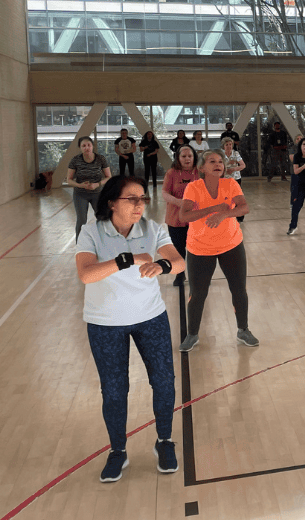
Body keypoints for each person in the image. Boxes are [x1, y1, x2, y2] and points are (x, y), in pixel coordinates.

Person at [74, 175, 186, 482]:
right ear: (112, 202)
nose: (139, 206)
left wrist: (162, 265)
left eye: (142, 199)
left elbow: (178, 261)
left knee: (164, 382)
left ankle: (164, 441)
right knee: (113, 391)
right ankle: (118, 451)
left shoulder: (154, 229)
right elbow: (86, 274)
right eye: (131, 199)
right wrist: (127, 259)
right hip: (104, 323)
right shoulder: (91, 232)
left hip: (151, 317)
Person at [177, 150, 255, 351]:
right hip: (200, 248)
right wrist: (213, 210)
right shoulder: (194, 187)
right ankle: (192, 334)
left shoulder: (231, 184)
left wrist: (224, 214)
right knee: (198, 294)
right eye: (212, 161)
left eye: (220, 161)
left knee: (239, 290)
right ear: (201, 168)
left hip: (231, 245)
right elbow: (184, 216)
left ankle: (243, 329)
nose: (218, 164)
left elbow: (244, 208)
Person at [162, 144, 198, 286]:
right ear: (178, 158)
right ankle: (180, 274)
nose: (187, 159)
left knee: (197, 250)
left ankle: (197, 276)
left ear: (194, 157)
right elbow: (165, 193)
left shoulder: (199, 172)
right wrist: (179, 202)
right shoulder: (171, 173)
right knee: (178, 249)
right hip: (175, 219)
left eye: (190, 156)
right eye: (184, 156)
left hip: (196, 219)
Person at [66, 136, 112, 239]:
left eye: (88, 145)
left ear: (92, 146)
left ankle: (105, 242)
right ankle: (80, 246)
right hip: (80, 194)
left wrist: (98, 184)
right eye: (83, 146)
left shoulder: (101, 159)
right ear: (80, 148)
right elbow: (68, 179)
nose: (86, 148)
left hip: (98, 194)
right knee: (82, 220)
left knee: (102, 218)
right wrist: (80, 185)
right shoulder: (75, 160)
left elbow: (109, 177)